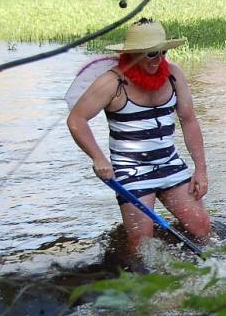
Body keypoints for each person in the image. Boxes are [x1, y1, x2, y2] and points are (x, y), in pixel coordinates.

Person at [66, 18, 211, 254]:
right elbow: (76, 120)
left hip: (170, 163)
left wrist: (201, 170)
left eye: (162, 51)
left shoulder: (174, 76)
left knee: (202, 228)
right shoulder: (112, 83)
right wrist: (98, 158)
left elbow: (189, 120)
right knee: (142, 246)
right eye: (152, 54)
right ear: (134, 54)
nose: (159, 59)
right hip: (131, 172)